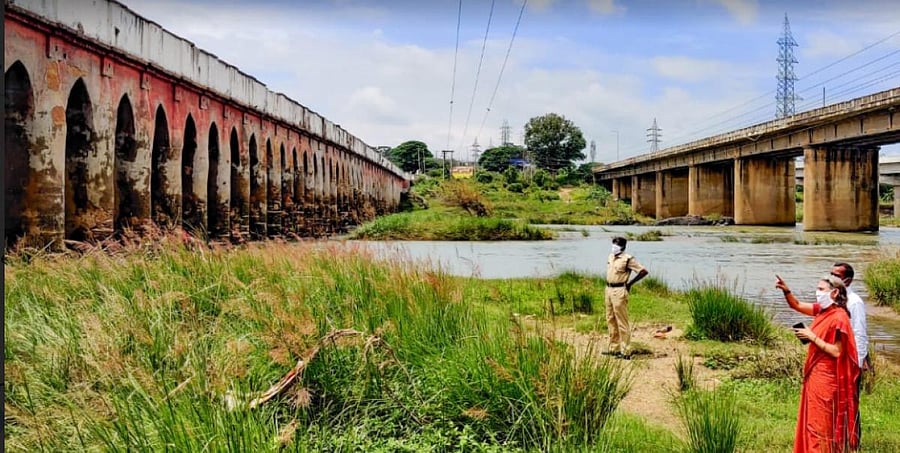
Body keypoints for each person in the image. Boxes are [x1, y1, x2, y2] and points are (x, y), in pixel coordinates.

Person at [776, 274, 859, 453]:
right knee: (811, 420)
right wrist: (787, 291)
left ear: (835, 293)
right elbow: (796, 305)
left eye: (821, 289)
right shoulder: (822, 310)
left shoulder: (839, 317)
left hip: (827, 377)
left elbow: (837, 351)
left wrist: (811, 337)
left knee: (820, 425)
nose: (817, 293)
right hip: (815, 373)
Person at [831, 262, 869, 450]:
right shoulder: (834, 299)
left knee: (851, 402)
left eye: (837, 275)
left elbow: (860, 335)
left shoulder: (854, 302)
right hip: (835, 360)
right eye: (831, 274)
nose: (833, 278)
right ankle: (837, 440)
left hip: (850, 362)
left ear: (848, 280)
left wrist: (858, 364)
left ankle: (853, 442)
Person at [604, 236, 649, 358]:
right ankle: (614, 348)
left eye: (617, 245)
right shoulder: (611, 256)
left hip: (619, 290)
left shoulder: (628, 259)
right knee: (610, 319)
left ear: (623, 247)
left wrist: (629, 284)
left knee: (621, 321)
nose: (614, 247)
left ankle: (626, 350)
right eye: (613, 244)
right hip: (608, 289)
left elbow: (643, 271)